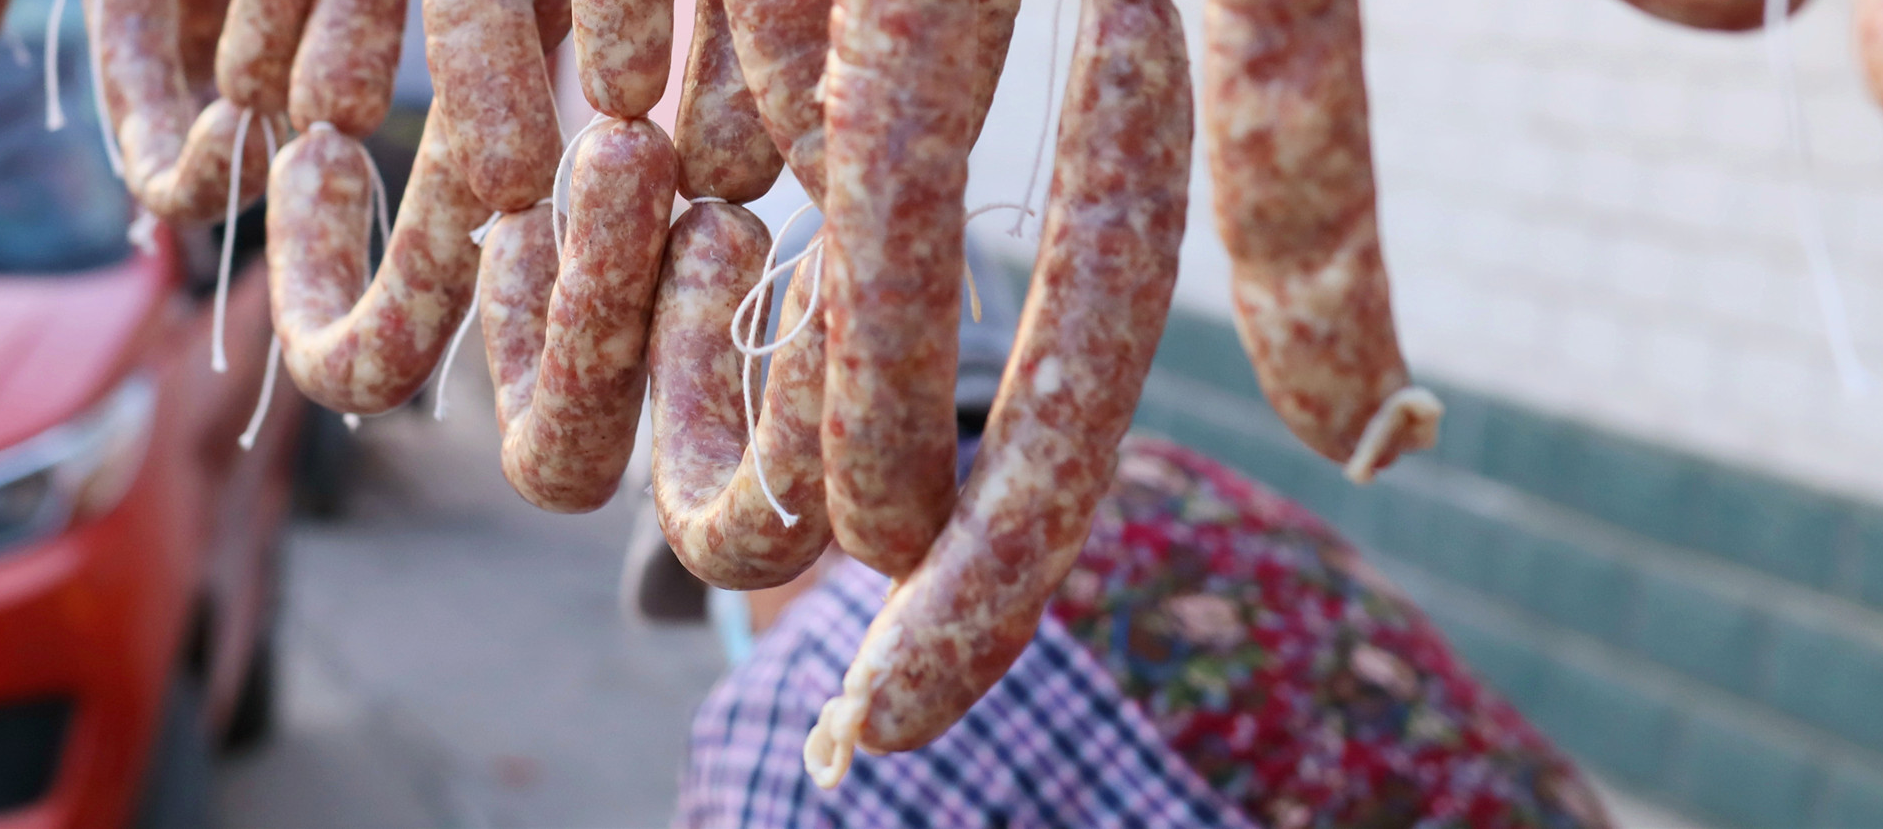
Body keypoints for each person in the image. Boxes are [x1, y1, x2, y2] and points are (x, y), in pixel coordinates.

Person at [642, 241, 1615, 829]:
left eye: (724, 572)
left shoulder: (814, 694)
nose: (741, 625)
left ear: (780, 503)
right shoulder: (1171, 479)